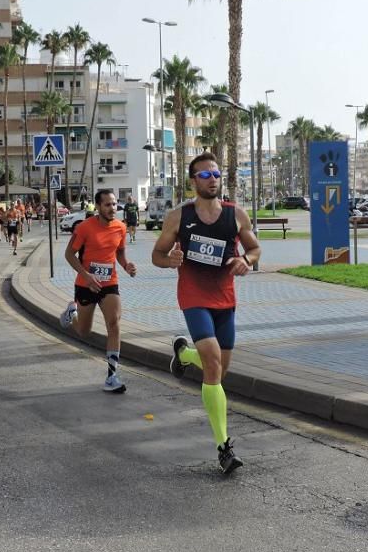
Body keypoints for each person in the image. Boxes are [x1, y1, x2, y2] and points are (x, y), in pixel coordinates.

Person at [151, 152, 261, 474]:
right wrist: (169, 260)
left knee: (219, 372)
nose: (213, 179)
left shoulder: (236, 215)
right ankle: (223, 446)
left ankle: (184, 353)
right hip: (193, 296)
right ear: (193, 181)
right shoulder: (178, 217)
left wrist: (247, 261)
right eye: (205, 175)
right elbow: (157, 254)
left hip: (225, 299)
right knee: (212, 363)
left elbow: (254, 248)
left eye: (216, 174)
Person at [59, 189, 137, 393]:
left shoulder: (120, 227)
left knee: (114, 323)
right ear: (99, 206)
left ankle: (112, 377)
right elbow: (69, 254)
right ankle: (72, 313)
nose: (113, 208)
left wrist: (126, 265)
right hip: (86, 284)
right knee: (84, 332)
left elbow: (119, 252)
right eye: (108, 205)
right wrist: (86, 275)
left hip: (109, 283)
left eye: (114, 204)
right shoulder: (85, 228)